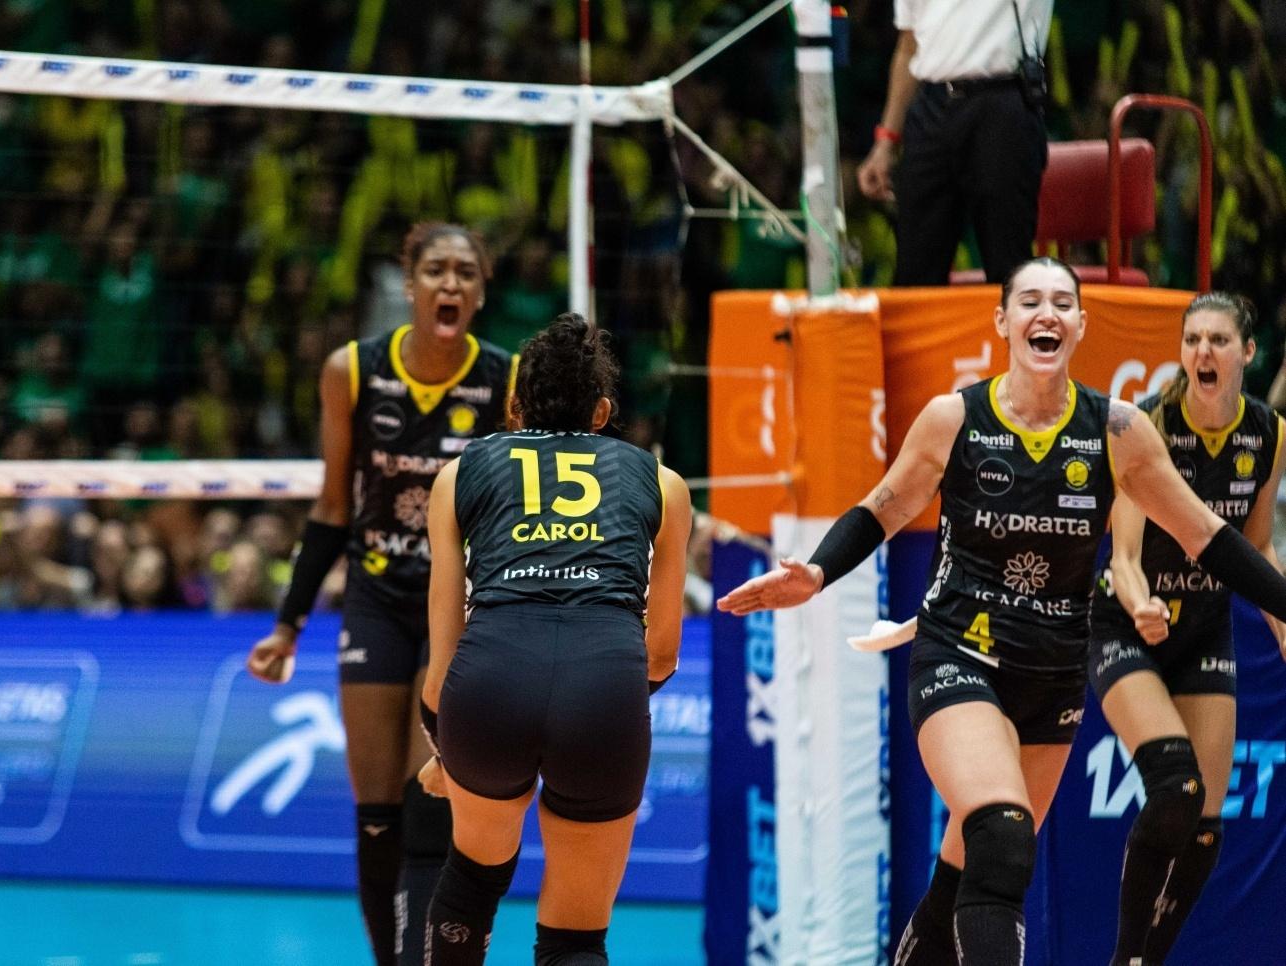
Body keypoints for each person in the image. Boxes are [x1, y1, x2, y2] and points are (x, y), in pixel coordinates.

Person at [717, 258, 1286, 965]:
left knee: (965, 871)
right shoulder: (953, 417)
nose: (1044, 313)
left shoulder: (1116, 431)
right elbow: (883, 507)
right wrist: (820, 571)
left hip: (1050, 677)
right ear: (1002, 322)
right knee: (1005, 835)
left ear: (1079, 325)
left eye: (1060, 303)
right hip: (958, 655)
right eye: (1028, 302)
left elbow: (1210, 538)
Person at [247, 223, 517, 966]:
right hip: (373, 598)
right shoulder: (352, 371)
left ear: (482, 292)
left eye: (466, 273)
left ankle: (425, 955)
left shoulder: (504, 379)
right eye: (436, 270)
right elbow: (333, 505)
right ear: (408, 284)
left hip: (451, 601)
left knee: (426, 801)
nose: (451, 284)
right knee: (374, 817)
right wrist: (287, 624)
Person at [415, 313, 691, 964]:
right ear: (601, 412)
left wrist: (445, 751)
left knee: (472, 878)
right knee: (575, 935)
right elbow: (662, 653)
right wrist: (599, 700)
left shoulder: (460, 474)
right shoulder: (662, 483)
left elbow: (441, 657)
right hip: (604, 690)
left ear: (514, 408)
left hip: (489, 685)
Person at [1088, 293, 1286, 966]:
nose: (1202, 351)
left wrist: (1279, 616)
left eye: (1218, 340)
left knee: (1203, 828)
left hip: (1204, 630)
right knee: (1174, 787)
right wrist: (1140, 602)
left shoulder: (1268, 434)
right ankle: (1122, 959)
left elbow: (1252, 549)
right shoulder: (1146, 425)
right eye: (1192, 339)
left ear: (1246, 353)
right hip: (1127, 622)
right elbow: (1121, 555)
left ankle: (1149, 959)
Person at [857, 0, 1053, 285]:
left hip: (1001, 101)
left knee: (1009, 268)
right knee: (915, 270)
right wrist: (886, 141)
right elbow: (908, 47)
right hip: (931, 106)